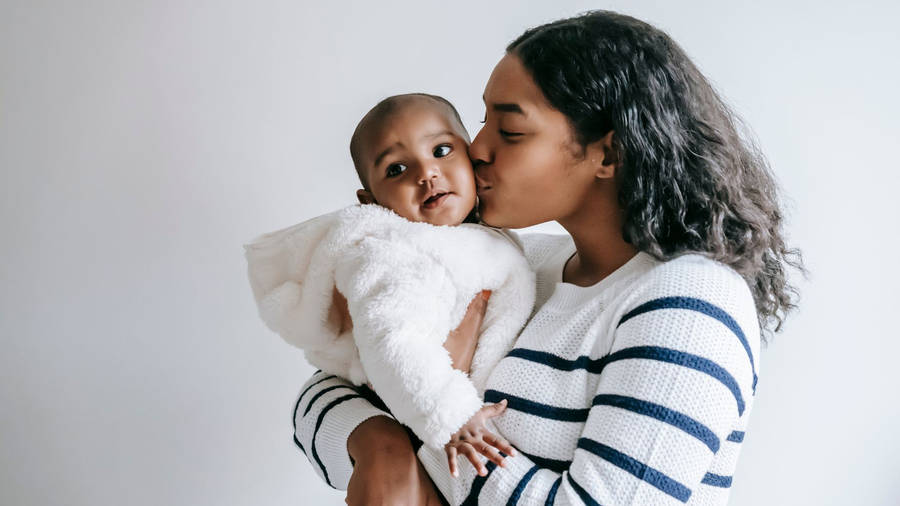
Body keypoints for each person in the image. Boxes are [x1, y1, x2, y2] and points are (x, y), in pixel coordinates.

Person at [294, 10, 802, 505]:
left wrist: (434, 423)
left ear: (608, 154)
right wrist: (380, 447)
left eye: (510, 131)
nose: (476, 149)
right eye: (483, 121)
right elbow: (333, 381)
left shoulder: (690, 304)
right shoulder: (517, 263)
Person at [246, 93, 532, 471]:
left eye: (441, 150)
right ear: (371, 202)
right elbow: (393, 342)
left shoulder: (490, 241)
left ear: (471, 156)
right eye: (396, 169)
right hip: (430, 425)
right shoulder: (390, 254)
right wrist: (452, 415)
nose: (426, 173)